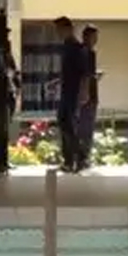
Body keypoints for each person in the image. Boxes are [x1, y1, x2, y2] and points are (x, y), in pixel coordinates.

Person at [52, 16, 89, 173]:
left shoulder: (77, 48)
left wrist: (84, 92)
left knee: (69, 126)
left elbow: (84, 73)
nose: (58, 33)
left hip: (74, 92)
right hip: (66, 91)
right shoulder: (66, 47)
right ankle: (70, 160)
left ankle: (79, 158)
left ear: (68, 29)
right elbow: (67, 71)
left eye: (60, 29)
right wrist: (57, 82)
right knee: (63, 124)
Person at [77, 25, 101, 164]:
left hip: (87, 94)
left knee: (84, 127)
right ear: (86, 37)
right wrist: (85, 93)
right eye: (94, 37)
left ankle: (82, 157)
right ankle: (83, 158)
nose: (96, 40)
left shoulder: (84, 52)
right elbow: (85, 75)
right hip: (88, 96)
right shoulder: (87, 52)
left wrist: (95, 76)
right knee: (86, 128)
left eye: (96, 37)